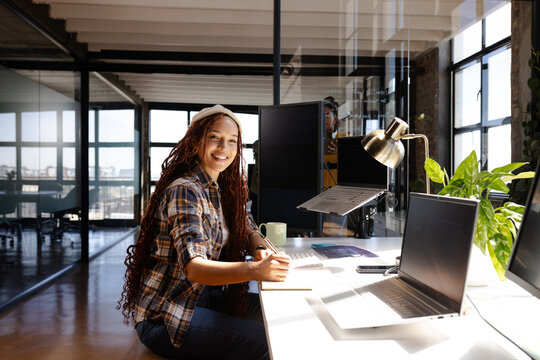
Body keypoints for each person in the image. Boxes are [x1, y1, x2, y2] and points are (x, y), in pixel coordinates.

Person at [118, 105, 291, 359]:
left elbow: (246, 224)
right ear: (195, 142)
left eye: (232, 141)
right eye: (215, 138)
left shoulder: (220, 188)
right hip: (168, 317)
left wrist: (258, 247)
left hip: (205, 301)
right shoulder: (185, 190)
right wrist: (255, 271)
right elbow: (195, 268)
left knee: (286, 320)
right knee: (272, 346)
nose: (224, 148)